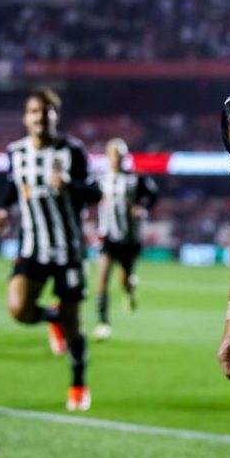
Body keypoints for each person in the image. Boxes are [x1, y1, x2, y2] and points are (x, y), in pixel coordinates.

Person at [0, 88, 101, 411]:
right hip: (33, 246)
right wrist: (0, 211)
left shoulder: (72, 151)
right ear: (26, 118)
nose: (40, 117)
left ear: (56, 115)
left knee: (75, 326)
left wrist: (70, 185)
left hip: (69, 251)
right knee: (19, 310)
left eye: (46, 111)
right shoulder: (16, 152)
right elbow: (12, 187)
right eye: (34, 111)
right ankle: (51, 318)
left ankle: (78, 384)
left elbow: (94, 192)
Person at [91, 138, 160, 341]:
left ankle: (129, 289)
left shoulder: (135, 179)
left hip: (129, 238)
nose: (117, 159)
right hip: (107, 236)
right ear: (107, 156)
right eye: (113, 154)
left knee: (124, 280)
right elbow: (90, 195)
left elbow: (153, 196)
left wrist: (142, 208)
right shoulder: (101, 179)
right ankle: (103, 323)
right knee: (102, 277)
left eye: (120, 155)